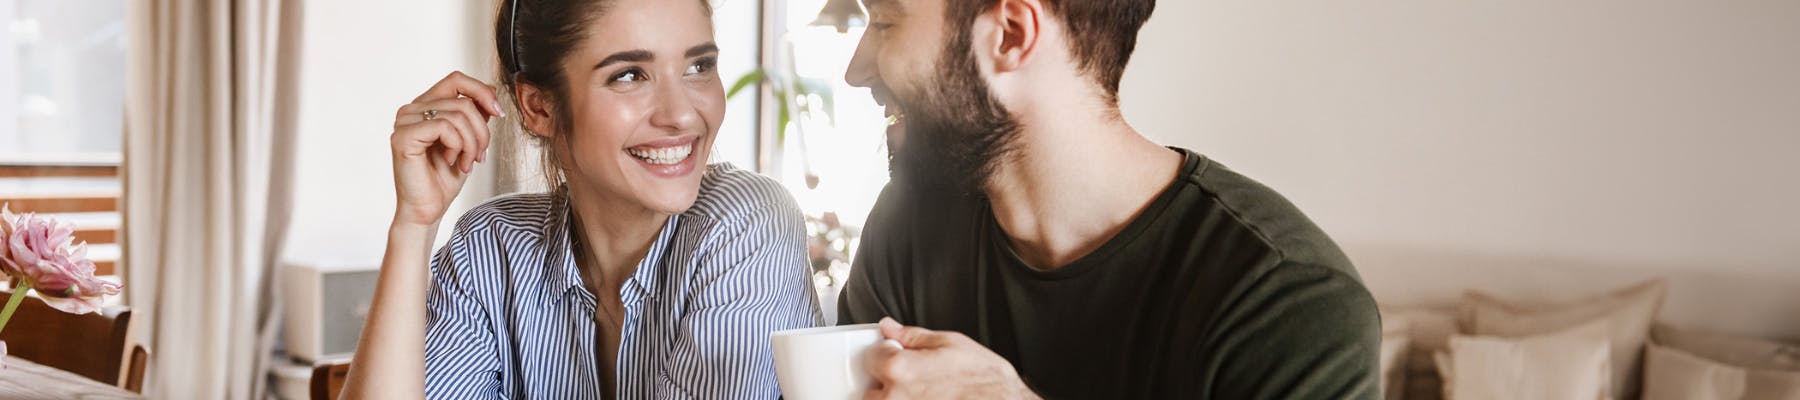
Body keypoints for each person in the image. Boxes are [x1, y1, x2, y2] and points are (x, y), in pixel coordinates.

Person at [835, 0, 1382, 398]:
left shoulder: (1288, 299)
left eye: (884, 21)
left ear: (1009, 33)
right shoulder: (910, 226)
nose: (855, 71)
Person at [339, 0, 819, 398]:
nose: (681, 115)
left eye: (699, 66)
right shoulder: (489, 249)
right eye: (629, 74)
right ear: (539, 106)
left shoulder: (749, 222)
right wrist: (414, 224)